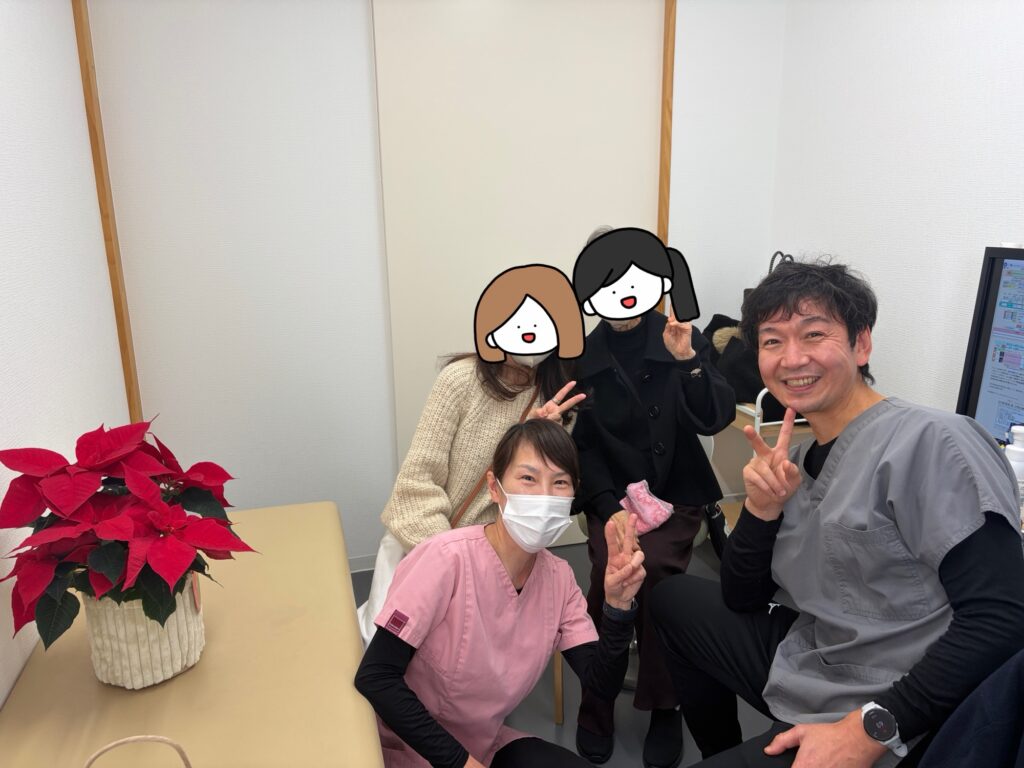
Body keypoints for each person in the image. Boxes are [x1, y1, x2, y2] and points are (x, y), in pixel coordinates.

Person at [651, 260, 1024, 768]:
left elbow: (1003, 617)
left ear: (861, 343)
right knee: (672, 598)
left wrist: (873, 729)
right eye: (772, 341)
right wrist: (761, 510)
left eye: (814, 334)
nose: (792, 358)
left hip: (898, 702)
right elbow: (741, 597)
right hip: (823, 656)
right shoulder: (799, 461)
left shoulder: (933, 441)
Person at [354, 418, 646, 767]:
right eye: (528, 478)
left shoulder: (559, 580)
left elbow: (601, 686)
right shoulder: (444, 559)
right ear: (494, 487)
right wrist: (460, 763)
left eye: (560, 483)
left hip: (481, 742)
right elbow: (376, 677)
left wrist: (617, 607)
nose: (544, 496)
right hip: (405, 745)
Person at [570, 227, 736, 768]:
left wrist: (688, 362)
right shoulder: (581, 356)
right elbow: (581, 446)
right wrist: (606, 507)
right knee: (611, 569)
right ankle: (597, 697)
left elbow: (714, 417)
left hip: (676, 492)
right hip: (611, 495)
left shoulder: (679, 336)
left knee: (658, 572)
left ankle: (666, 705)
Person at [356, 265, 585, 644]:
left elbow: (536, 502)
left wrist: (540, 438)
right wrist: (454, 561)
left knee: (469, 661)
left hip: (499, 561)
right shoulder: (460, 381)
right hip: (425, 547)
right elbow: (415, 486)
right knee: (393, 658)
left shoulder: (556, 402)